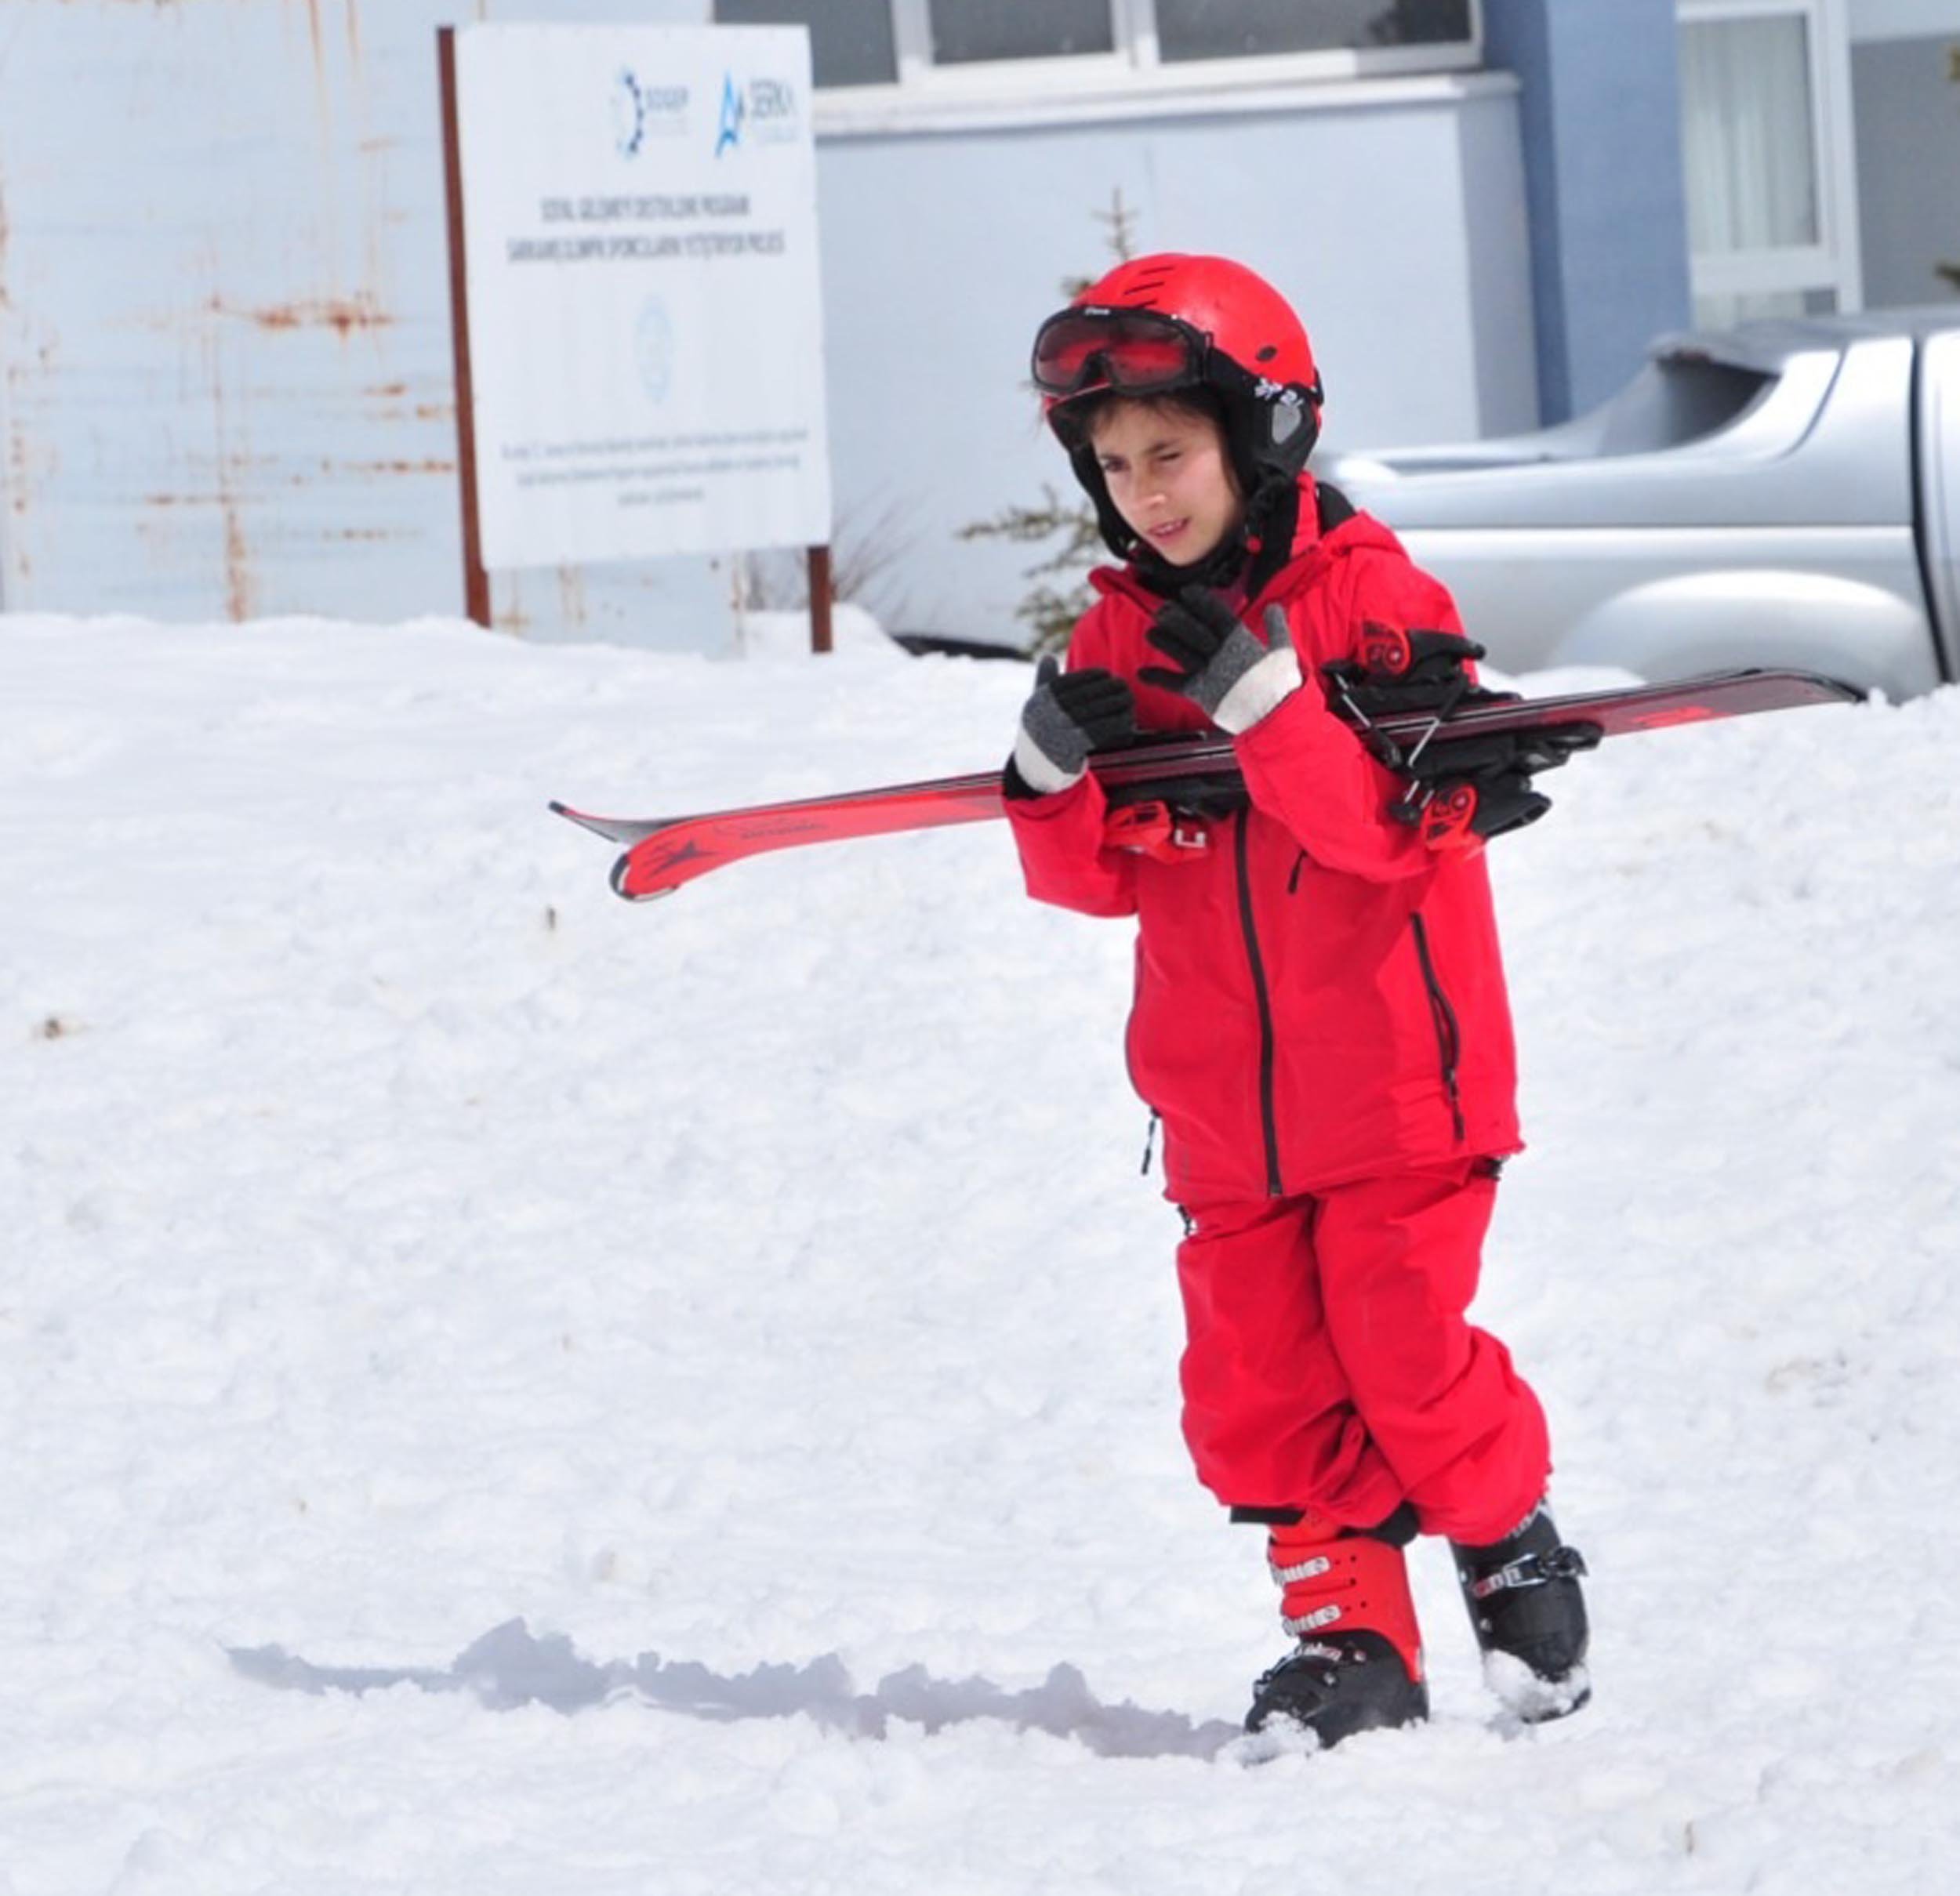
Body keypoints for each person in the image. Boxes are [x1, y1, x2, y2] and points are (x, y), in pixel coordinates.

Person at [1003, 253, 1591, 1748]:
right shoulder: (1115, 642)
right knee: (1258, 1383)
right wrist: (1050, 790)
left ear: (1258, 435)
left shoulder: (1373, 600)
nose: (1146, 490)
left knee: (1402, 1346)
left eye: (1172, 453)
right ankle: (1350, 1642)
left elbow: (1396, 836)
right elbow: (1104, 884)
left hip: (1401, 1080)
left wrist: (1269, 709)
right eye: (1116, 463)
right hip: (1219, 1108)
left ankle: (1505, 1532)